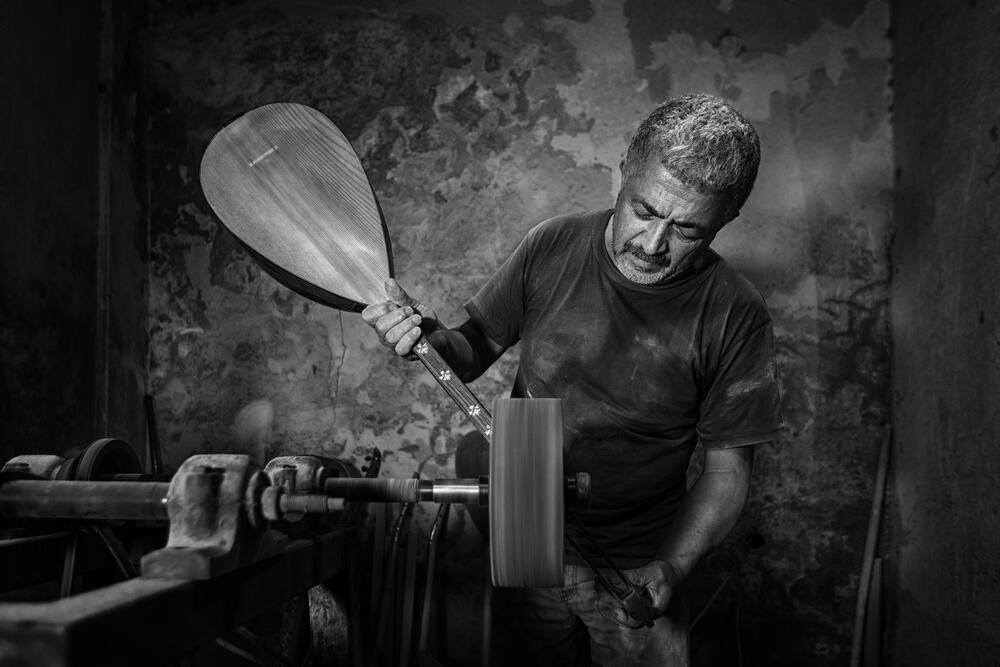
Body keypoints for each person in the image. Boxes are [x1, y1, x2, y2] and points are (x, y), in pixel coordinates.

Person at [362, 93, 782, 666]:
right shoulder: (552, 244)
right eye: (644, 210)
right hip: (526, 525)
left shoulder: (735, 311)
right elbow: (472, 348)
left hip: (638, 559)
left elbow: (728, 471)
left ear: (726, 218)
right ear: (625, 169)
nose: (652, 244)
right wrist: (426, 337)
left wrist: (672, 566)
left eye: (687, 229)